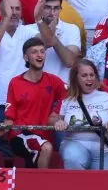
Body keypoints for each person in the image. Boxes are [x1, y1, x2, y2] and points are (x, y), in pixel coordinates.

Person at [50, 59, 108, 170]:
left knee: (105, 182)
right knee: (73, 157)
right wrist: (58, 121)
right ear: (75, 78)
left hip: (104, 149)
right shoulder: (67, 96)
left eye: (92, 75)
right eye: (84, 75)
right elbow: (51, 118)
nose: (89, 78)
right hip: (74, 144)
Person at [4, 37, 66, 169]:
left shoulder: (54, 81)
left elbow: (72, 94)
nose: (39, 55)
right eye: (34, 52)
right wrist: (3, 127)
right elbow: (10, 116)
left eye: (42, 51)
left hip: (45, 136)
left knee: (37, 160)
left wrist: (58, 116)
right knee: (46, 148)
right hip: (20, 135)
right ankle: (41, 185)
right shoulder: (15, 82)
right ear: (26, 58)